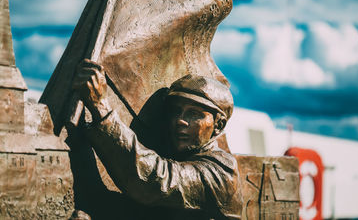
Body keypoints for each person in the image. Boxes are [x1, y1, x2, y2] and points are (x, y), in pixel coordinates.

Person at [72, 59, 243, 220]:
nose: (180, 120)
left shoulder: (222, 172)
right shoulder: (176, 156)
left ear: (218, 125)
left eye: (194, 114)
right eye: (176, 111)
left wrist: (101, 109)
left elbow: (156, 182)